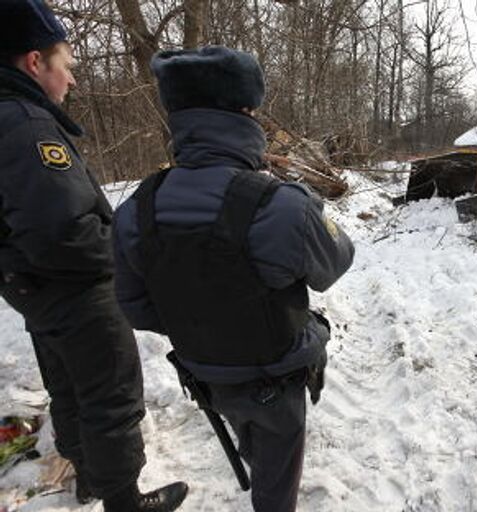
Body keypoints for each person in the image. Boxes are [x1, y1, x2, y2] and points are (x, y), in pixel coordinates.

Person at [112, 46, 355, 512]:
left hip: (204, 372)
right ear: (247, 114)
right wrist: (307, 208)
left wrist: (202, 318)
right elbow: (336, 263)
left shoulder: (135, 209)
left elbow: (135, 306)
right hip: (274, 374)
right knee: (277, 477)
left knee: (249, 429)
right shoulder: (284, 205)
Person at [0, 2, 188, 511]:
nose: (74, 81)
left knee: (69, 387)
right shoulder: (25, 123)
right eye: (68, 67)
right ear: (34, 63)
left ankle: (88, 477)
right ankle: (124, 501)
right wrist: (125, 251)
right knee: (111, 396)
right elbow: (63, 233)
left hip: (33, 289)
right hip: (76, 290)